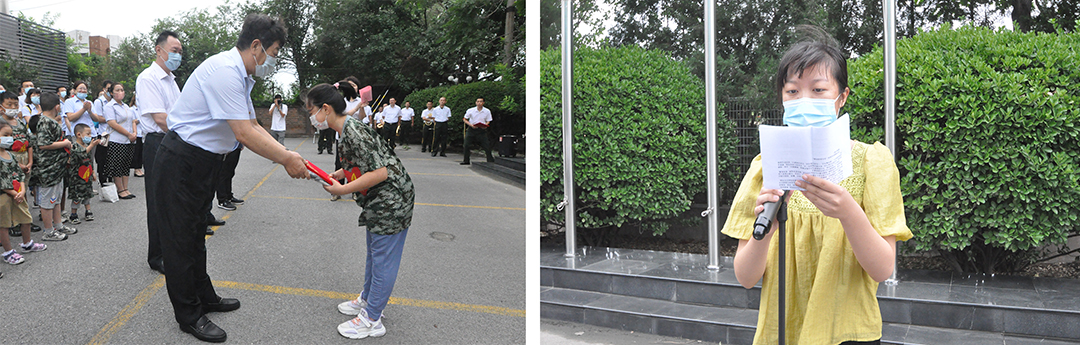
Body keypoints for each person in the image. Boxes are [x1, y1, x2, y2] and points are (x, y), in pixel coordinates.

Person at [721, 28, 913, 345]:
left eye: (819, 89)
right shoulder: (764, 168)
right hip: (783, 332)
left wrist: (849, 213)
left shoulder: (871, 161)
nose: (804, 101)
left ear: (842, 97)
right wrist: (765, 228)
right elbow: (745, 276)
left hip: (849, 334)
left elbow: (882, 269)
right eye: (793, 92)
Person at [150, 14, 307, 342]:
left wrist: (289, 155)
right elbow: (244, 133)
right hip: (182, 160)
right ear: (256, 46)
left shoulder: (241, 76)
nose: (273, 60)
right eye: (274, 51)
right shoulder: (225, 71)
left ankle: (204, 296)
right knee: (179, 240)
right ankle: (188, 314)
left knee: (196, 235)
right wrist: (286, 158)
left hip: (202, 162)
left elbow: (253, 123)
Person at [306, 83, 414, 340]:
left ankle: (373, 318)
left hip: (391, 200)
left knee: (382, 259)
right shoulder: (346, 129)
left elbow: (380, 172)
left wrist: (342, 190)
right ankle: (367, 300)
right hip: (380, 200)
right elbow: (362, 162)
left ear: (325, 108)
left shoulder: (352, 130)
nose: (312, 117)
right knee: (374, 255)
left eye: (311, 110)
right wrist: (339, 175)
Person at [138, 30, 183, 274]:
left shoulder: (172, 80)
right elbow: (161, 119)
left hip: (173, 142)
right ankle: (157, 256)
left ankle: (171, 250)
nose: (177, 55)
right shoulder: (149, 78)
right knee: (158, 202)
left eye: (180, 52)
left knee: (173, 201)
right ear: (159, 50)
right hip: (157, 143)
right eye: (174, 51)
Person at [0, 121, 47, 265]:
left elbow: (18, 174)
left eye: (11, 135)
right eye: (5, 135)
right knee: (4, 224)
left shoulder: (9, 154)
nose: (9, 138)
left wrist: (22, 189)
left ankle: (27, 243)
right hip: (4, 195)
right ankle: (8, 252)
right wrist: (14, 193)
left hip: (18, 193)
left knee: (25, 217)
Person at [32, 92, 75, 241]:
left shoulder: (50, 121)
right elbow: (43, 144)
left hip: (57, 168)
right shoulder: (44, 122)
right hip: (48, 169)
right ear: (57, 107)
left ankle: (58, 226)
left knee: (55, 199)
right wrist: (65, 143)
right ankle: (48, 231)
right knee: (47, 201)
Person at [103, 83, 138, 200]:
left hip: (129, 141)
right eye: (117, 90)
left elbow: (133, 120)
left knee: (126, 164)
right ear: (111, 93)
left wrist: (134, 133)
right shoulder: (110, 106)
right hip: (117, 140)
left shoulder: (126, 107)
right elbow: (112, 123)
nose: (120, 92)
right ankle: (120, 189)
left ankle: (126, 188)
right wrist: (128, 134)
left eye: (122, 90)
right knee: (117, 165)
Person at [67, 124, 99, 224]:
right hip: (76, 177)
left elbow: (89, 160)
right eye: (88, 134)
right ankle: (73, 214)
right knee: (77, 196)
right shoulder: (75, 146)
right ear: (79, 134)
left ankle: (88, 211)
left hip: (87, 175)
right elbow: (82, 154)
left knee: (87, 194)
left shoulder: (87, 146)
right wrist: (92, 146)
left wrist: (93, 172)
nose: (90, 136)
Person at [460, 98, 493, 165]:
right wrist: (471, 125)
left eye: (481, 101)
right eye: (478, 101)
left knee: (486, 145)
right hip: (472, 129)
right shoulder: (471, 110)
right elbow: (465, 119)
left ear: (483, 102)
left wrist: (485, 125)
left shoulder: (487, 111)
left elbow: (489, 120)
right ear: (476, 102)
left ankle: (490, 160)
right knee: (466, 144)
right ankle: (466, 160)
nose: (479, 103)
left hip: (481, 129)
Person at [130, 95, 144, 177]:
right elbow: (132, 121)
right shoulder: (132, 109)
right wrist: (139, 120)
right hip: (136, 132)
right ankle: (136, 169)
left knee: (141, 152)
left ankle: (139, 168)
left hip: (142, 133)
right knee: (136, 151)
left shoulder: (141, 109)